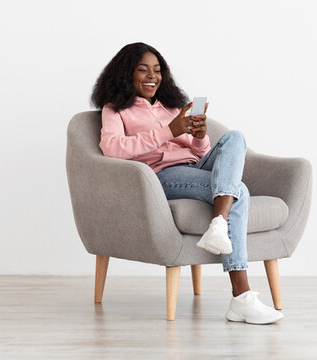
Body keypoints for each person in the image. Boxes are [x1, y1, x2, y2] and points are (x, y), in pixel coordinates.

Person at [91, 42, 282, 324]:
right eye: (142, 70)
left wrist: (199, 136)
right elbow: (112, 148)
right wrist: (168, 131)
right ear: (126, 74)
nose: (151, 77)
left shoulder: (172, 106)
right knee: (238, 191)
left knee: (235, 137)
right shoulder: (116, 109)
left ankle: (219, 224)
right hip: (161, 174)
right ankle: (241, 297)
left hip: (194, 166)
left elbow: (200, 153)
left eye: (157, 70)